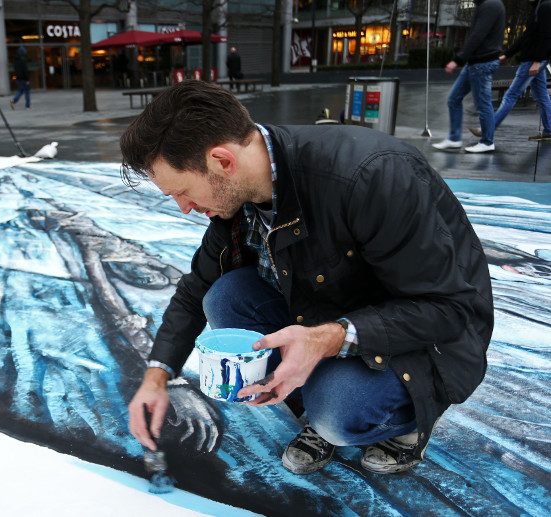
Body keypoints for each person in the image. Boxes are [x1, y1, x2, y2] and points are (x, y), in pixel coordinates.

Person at [121, 81, 494, 475]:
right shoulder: (240, 193)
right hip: (333, 305)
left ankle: (406, 420)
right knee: (223, 296)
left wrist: (325, 338)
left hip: (426, 339)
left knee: (339, 414)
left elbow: (449, 309)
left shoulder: (370, 175)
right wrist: (157, 376)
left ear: (221, 161)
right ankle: (318, 403)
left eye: (181, 192)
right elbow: (195, 288)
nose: (184, 208)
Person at [469, 0, 551, 142]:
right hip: (533, 59)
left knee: (511, 95)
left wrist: (538, 61)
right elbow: (526, 37)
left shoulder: (546, 6)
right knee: (542, 96)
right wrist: (507, 54)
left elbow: (548, 36)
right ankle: (549, 130)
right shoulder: (538, 7)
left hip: (533, 60)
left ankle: (487, 129)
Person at [433, 0, 505, 153]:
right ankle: (454, 138)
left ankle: (487, 141)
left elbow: (477, 35)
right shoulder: (488, 5)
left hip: (482, 62)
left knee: (483, 104)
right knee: (454, 99)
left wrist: (458, 59)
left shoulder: (491, 5)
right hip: (475, 62)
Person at [9, 45, 31, 110]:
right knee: (27, 92)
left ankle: (13, 100)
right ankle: (27, 106)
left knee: (20, 91)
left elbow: (16, 70)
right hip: (24, 79)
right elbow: (25, 70)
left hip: (18, 78)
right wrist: (27, 79)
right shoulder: (23, 60)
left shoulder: (15, 61)